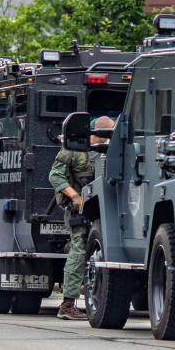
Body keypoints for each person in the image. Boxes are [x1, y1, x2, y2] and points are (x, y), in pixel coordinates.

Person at [49, 115, 115, 320]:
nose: (107, 140)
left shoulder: (112, 152)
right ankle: (67, 304)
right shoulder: (74, 150)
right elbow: (55, 175)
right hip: (80, 211)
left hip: (104, 212)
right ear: (94, 133)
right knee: (78, 250)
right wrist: (75, 196)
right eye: (104, 135)